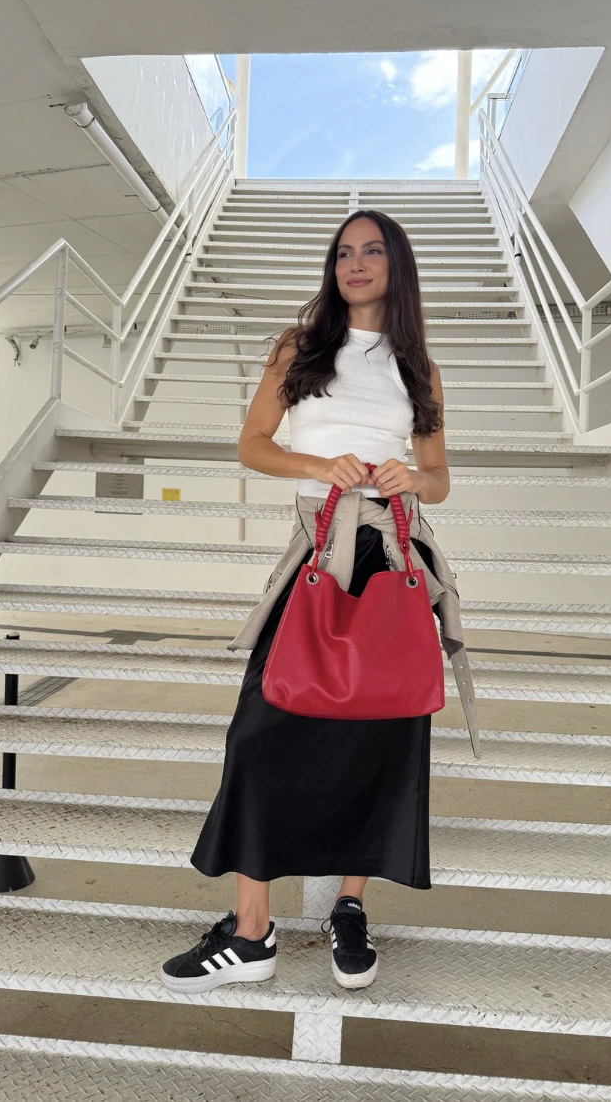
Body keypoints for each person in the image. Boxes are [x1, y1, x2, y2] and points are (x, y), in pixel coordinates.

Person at [161, 209, 453, 996]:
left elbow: (439, 479)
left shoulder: (419, 367)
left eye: (372, 251)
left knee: (384, 737)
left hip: (391, 558)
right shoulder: (299, 348)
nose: (355, 263)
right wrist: (319, 465)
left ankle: (349, 907)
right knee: (260, 732)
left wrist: (412, 478)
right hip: (318, 554)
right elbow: (252, 443)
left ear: (396, 265)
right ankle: (250, 932)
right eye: (344, 252)